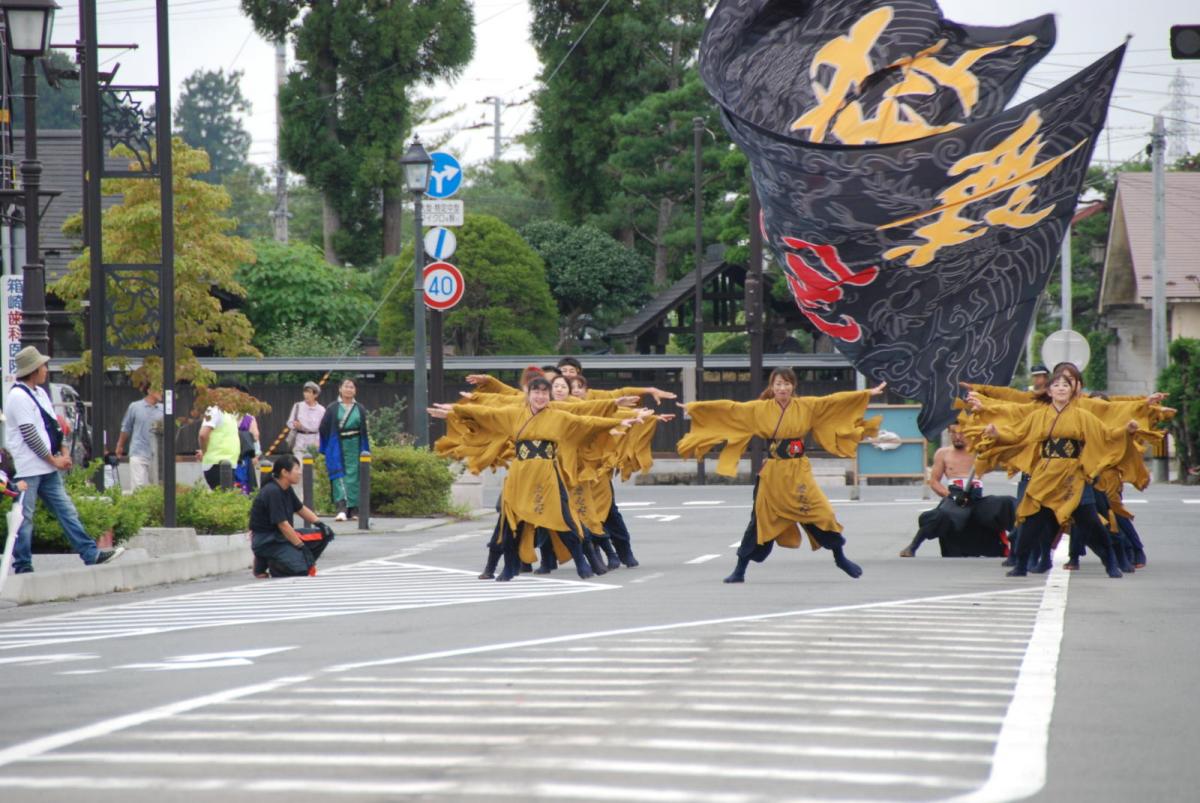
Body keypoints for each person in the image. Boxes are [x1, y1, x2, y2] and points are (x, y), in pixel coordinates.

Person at [678, 368, 885, 582]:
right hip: (774, 473)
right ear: (772, 387)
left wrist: (865, 394)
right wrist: (696, 408)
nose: (782, 388)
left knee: (822, 513)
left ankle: (840, 558)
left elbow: (834, 401)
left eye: (786, 384)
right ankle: (740, 569)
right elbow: (730, 409)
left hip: (798, 471)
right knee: (759, 520)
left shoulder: (807, 406)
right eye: (777, 384)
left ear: (793, 386)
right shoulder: (760, 409)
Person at [429, 377, 647, 581]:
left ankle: (583, 562)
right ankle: (506, 567)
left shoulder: (558, 415)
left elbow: (586, 420)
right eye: (537, 392)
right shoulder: (513, 414)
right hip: (520, 474)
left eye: (545, 392)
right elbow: (486, 413)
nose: (541, 396)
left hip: (547, 474)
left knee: (565, 519)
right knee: (509, 521)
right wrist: (455, 410)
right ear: (529, 393)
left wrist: (617, 416)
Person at [962, 364, 1139, 578]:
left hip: (1074, 475)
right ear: (1049, 391)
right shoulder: (1039, 416)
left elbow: (1106, 434)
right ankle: (1021, 564)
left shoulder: (1083, 416)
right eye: (1057, 385)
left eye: (1066, 385)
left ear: (1072, 390)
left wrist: (1125, 430)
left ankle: (1110, 561)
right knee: (1031, 520)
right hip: (1046, 474)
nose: (1062, 388)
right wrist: (996, 433)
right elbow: (1017, 434)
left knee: (1091, 521)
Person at [3, 346, 124, 573]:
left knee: (66, 510)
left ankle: (90, 553)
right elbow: (30, 435)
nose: (46, 370)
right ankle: (23, 565)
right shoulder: (18, 397)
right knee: (23, 518)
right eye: (43, 366)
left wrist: (64, 452)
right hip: (28, 468)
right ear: (33, 370)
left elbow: (54, 426)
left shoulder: (39, 393)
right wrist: (54, 459)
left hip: (46, 467)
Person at [899, 424, 1014, 558]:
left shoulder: (981, 450)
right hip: (954, 496)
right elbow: (934, 481)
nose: (957, 437)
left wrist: (991, 440)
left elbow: (1002, 459)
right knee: (938, 516)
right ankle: (913, 546)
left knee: (1006, 503)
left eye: (962, 433)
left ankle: (1022, 545)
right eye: (953, 433)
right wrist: (951, 496)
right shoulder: (943, 453)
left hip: (976, 497)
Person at [249, 455, 335, 578]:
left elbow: (300, 508)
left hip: (282, 537)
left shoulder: (286, 488)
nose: (299, 473)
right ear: (284, 472)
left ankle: (293, 560)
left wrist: (320, 524)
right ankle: (272, 564)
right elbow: (283, 525)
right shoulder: (272, 491)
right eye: (296, 469)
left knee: (324, 534)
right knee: (301, 571)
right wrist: (300, 546)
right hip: (268, 540)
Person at [319, 378, 370, 521]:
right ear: (340, 389)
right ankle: (341, 508)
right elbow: (323, 427)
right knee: (338, 475)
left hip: (355, 444)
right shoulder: (332, 408)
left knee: (354, 476)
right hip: (337, 445)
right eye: (346, 386)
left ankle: (354, 510)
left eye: (352, 387)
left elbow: (364, 430)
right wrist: (328, 445)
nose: (349, 389)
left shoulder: (360, 408)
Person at [115, 384, 164, 491]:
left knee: (156, 487)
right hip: (138, 450)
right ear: (150, 390)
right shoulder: (135, 406)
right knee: (139, 487)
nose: (162, 392)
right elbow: (126, 427)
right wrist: (120, 446)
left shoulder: (163, 409)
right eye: (159, 389)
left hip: (157, 454)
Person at [197, 399, 243, 491]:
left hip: (230, 463)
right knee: (223, 498)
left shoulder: (231, 413)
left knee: (226, 498)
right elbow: (203, 435)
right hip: (216, 464)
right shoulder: (214, 409)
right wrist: (204, 451)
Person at [288, 381, 326, 456]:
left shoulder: (321, 410)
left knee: (312, 466)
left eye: (309, 392)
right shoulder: (297, 406)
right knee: (299, 464)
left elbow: (322, 429)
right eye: (305, 392)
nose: (306, 395)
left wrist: (318, 442)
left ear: (315, 395)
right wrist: (295, 425)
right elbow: (290, 422)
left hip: (314, 442)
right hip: (299, 441)